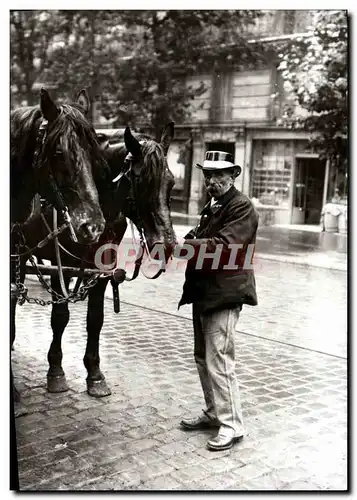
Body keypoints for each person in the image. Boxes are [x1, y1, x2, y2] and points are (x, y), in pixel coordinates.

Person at [177, 150, 259, 451]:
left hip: (225, 293)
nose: (212, 180)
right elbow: (198, 235)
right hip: (204, 292)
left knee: (219, 361)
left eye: (219, 175)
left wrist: (183, 246)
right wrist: (181, 242)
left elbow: (224, 248)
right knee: (203, 358)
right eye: (208, 175)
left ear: (233, 175)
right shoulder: (212, 205)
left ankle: (232, 425)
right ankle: (214, 413)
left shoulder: (242, 207)